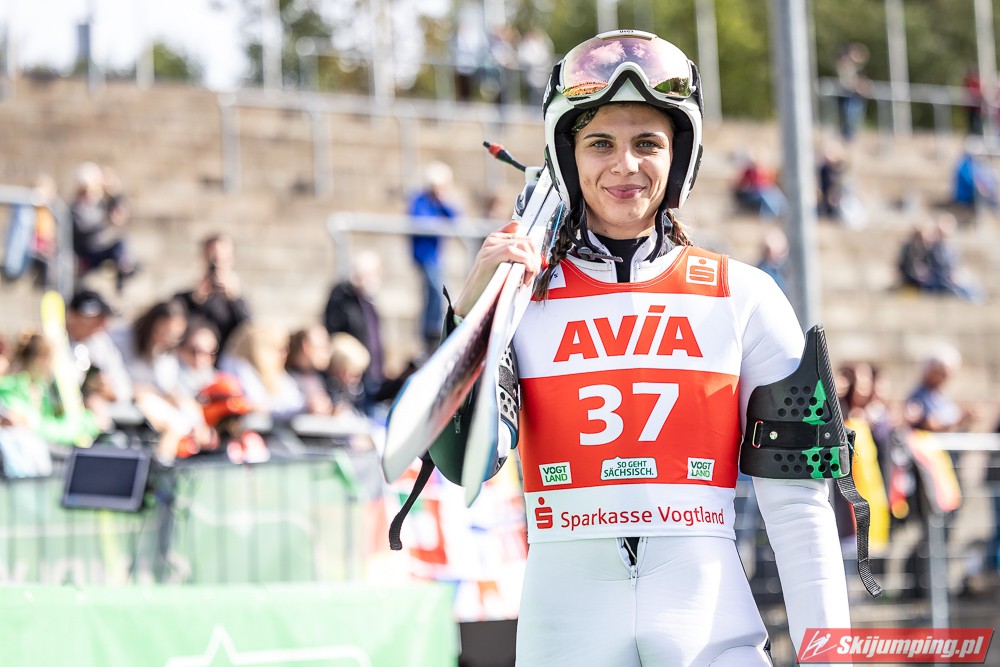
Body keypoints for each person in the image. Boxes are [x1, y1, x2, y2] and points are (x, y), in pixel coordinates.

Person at [425, 30, 851, 665]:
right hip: (565, 631)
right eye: (600, 143)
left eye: (647, 143)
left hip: (710, 628)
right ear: (567, 156)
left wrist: (831, 656)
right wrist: (470, 317)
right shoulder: (519, 298)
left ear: (679, 157)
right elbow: (466, 462)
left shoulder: (746, 295)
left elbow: (799, 510)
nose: (624, 165)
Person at [408, 161, 460, 353]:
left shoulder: (440, 202)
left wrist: (443, 200)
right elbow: (420, 222)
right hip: (425, 256)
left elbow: (455, 216)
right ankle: (430, 333)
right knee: (434, 293)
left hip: (436, 257)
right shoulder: (420, 200)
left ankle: (433, 332)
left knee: (435, 294)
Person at [174, 233, 252, 356]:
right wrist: (195, 300)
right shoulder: (184, 299)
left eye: (222, 259)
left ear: (231, 260)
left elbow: (247, 331)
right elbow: (176, 329)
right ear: (203, 258)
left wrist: (235, 300)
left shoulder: (236, 301)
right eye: (213, 258)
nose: (217, 264)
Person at [70, 162, 139, 292]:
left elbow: (117, 208)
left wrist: (113, 189)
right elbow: (83, 228)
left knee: (121, 242)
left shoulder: (98, 205)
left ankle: (123, 270)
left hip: (99, 249)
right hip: (86, 253)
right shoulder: (76, 208)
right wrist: (105, 219)